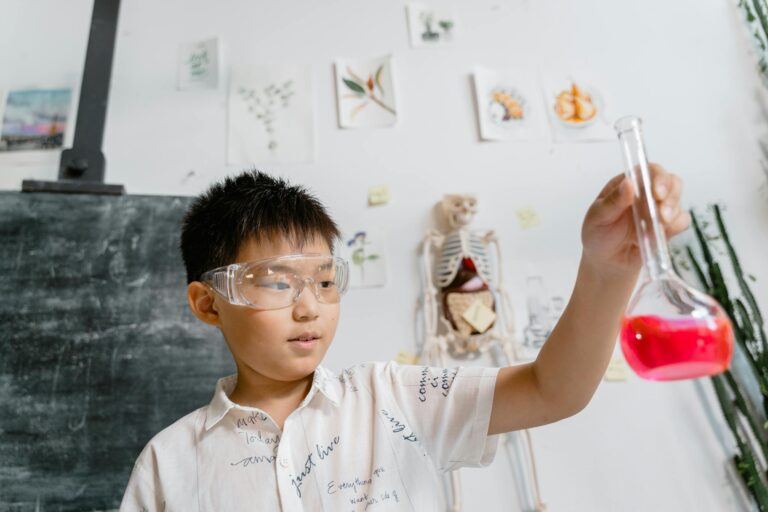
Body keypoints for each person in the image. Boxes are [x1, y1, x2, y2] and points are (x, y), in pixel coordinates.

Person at [120, 167, 690, 511]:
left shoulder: (391, 399)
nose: (308, 305)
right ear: (207, 304)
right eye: (275, 282)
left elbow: (553, 389)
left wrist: (607, 270)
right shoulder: (168, 463)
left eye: (323, 280)